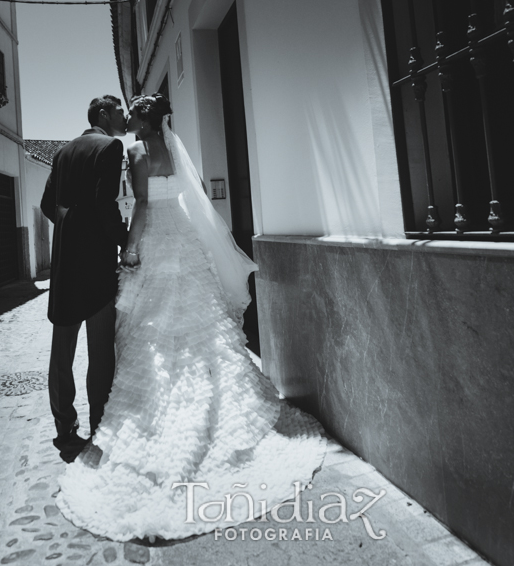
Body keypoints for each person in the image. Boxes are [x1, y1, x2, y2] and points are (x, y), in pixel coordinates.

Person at [56, 94, 326, 541]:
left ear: (144, 119)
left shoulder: (138, 151)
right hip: (182, 234)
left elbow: (141, 204)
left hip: (158, 238)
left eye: (134, 115)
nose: (130, 121)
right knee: (198, 319)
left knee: (154, 325)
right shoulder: (175, 149)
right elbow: (191, 196)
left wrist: (130, 248)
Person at [41, 95, 128, 463]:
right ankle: (99, 425)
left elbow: (48, 204)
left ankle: (65, 427)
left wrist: (70, 228)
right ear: (104, 114)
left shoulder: (62, 153)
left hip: (65, 266)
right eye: (120, 110)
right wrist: (125, 239)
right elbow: (105, 204)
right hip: (95, 268)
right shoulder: (109, 147)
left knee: (62, 352)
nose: (124, 116)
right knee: (100, 353)